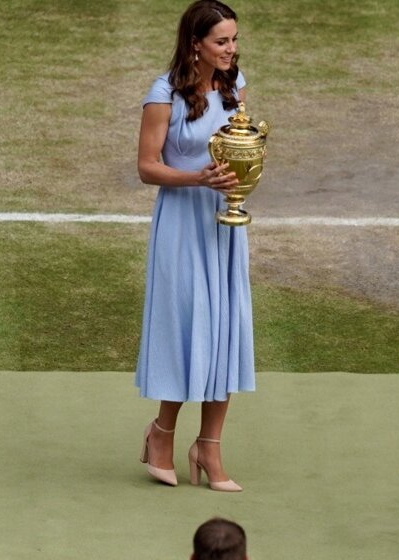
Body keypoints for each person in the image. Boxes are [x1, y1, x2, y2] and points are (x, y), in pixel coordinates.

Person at [135, 0, 254, 492]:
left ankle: (209, 447)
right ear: (195, 45)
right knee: (188, 328)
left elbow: (241, 146)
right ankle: (161, 434)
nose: (231, 49)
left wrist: (240, 178)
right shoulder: (163, 94)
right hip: (182, 224)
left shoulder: (235, 85)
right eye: (221, 41)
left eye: (233, 39)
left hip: (225, 224)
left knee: (225, 327)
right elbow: (146, 167)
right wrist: (197, 179)